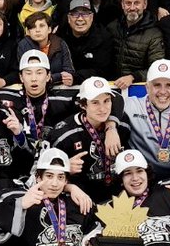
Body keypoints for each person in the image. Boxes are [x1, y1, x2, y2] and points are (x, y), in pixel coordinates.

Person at [44, 76, 130, 204]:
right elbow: (39, 173)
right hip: (80, 201)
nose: (103, 109)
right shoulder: (64, 134)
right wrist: (63, 167)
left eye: (107, 101)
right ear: (83, 105)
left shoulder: (122, 125)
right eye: (95, 102)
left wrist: (111, 128)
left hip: (117, 199)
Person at [110, 0, 165, 89]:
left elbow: (157, 68)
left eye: (137, 3)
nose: (132, 7)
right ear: (122, 4)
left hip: (138, 89)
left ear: (145, 4)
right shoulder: (112, 28)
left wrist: (133, 77)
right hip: (112, 87)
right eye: (128, 3)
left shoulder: (154, 34)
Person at [61, 0, 117, 82]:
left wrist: (76, 77)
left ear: (91, 17)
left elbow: (103, 70)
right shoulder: (60, 36)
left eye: (85, 14)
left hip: (96, 87)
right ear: (69, 18)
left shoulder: (104, 37)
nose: (80, 18)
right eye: (75, 14)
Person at [17, 12, 75, 86]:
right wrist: (57, 76)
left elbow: (69, 71)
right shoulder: (24, 45)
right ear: (28, 32)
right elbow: (25, 73)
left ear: (49, 29)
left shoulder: (60, 43)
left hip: (58, 86)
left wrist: (52, 78)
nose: (37, 30)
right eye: (33, 27)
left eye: (42, 26)